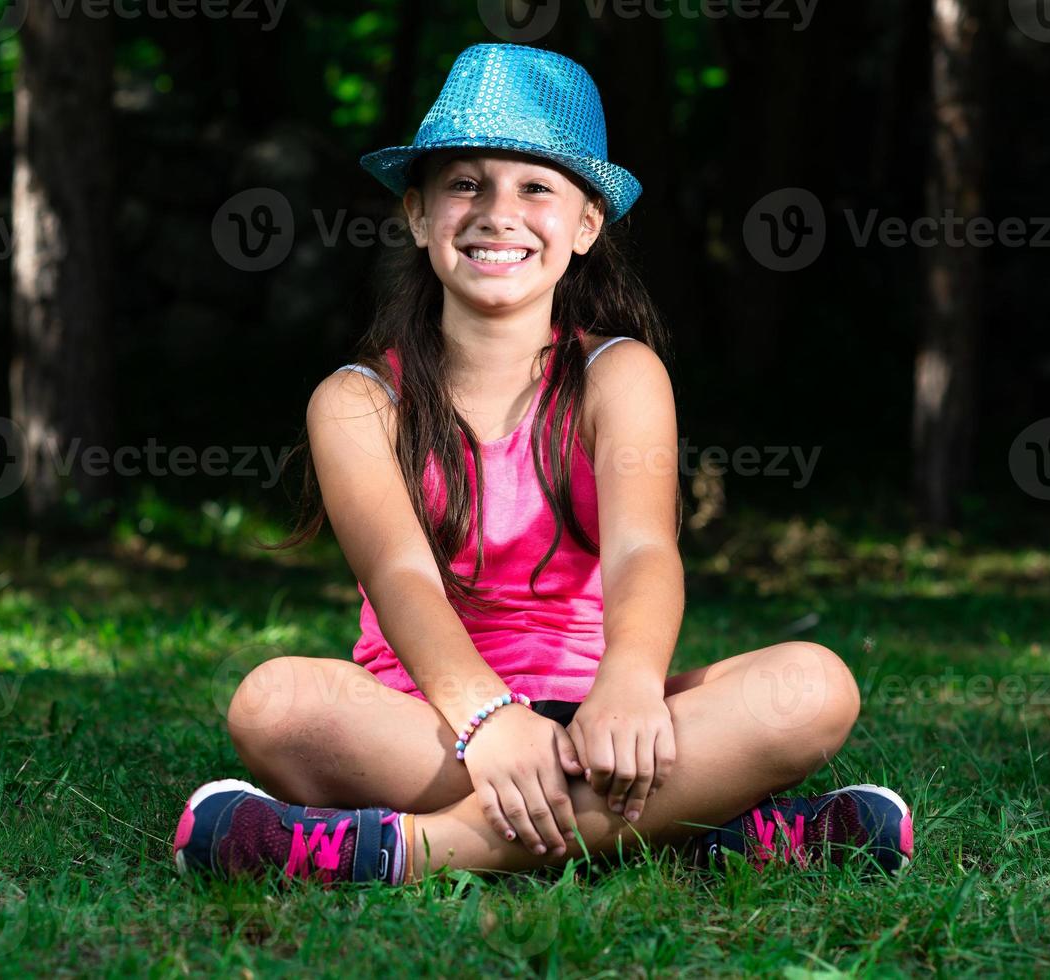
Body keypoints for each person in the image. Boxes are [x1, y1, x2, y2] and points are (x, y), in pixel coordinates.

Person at [173, 43, 913, 886]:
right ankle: (699, 829)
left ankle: (406, 851)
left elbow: (642, 552)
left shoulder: (620, 374)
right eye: (465, 184)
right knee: (276, 704)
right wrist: (488, 719)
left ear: (587, 225)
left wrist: (631, 686)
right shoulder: (355, 401)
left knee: (814, 686)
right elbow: (401, 575)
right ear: (417, 215)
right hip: (432, 724)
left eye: (535, 187)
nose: (498, 212)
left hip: (603, 718)